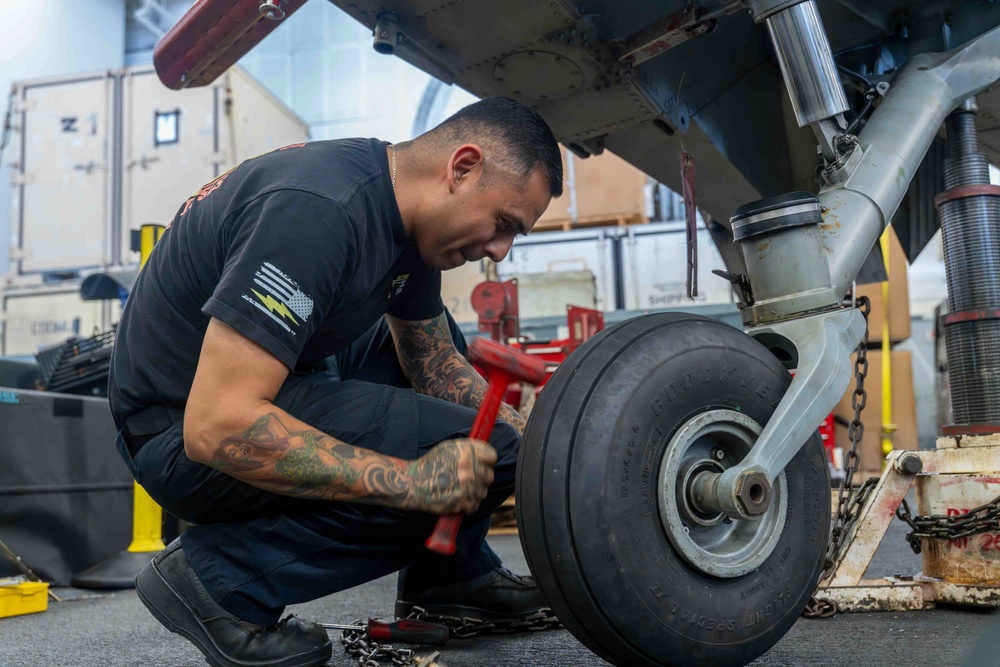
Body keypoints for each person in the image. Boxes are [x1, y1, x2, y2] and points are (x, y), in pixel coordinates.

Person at [108, 96, 563, 667]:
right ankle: (219, 580)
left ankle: (449, 576)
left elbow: (432, 364)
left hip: (264, 388)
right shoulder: (318, 211)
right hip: (181, 436)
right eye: (504, 225)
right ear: (462, 167)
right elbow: (216, 424)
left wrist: (551, 448)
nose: (500, 250)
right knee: (483, 450)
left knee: (484, 419)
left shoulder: (411, 225)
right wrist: (410, 482)